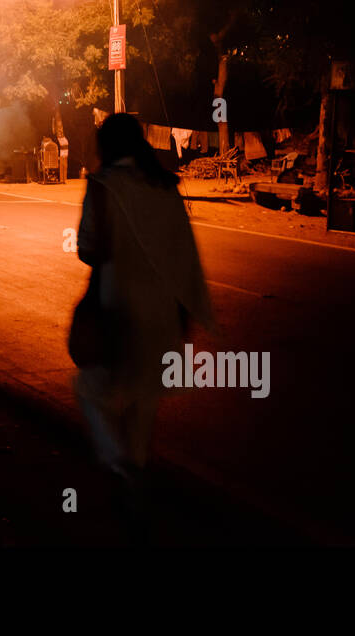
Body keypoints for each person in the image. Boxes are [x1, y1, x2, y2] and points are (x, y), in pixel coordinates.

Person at [71, 113, 216, 531]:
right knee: (143, 400)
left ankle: (120, 468)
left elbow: (87, 248)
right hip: (165, 311)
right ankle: (134, 481)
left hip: (119, 307)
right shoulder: (166, 186)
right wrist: (186, 314)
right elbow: (185, 254)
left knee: (90, 387)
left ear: (106, 147)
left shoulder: (102, 186)